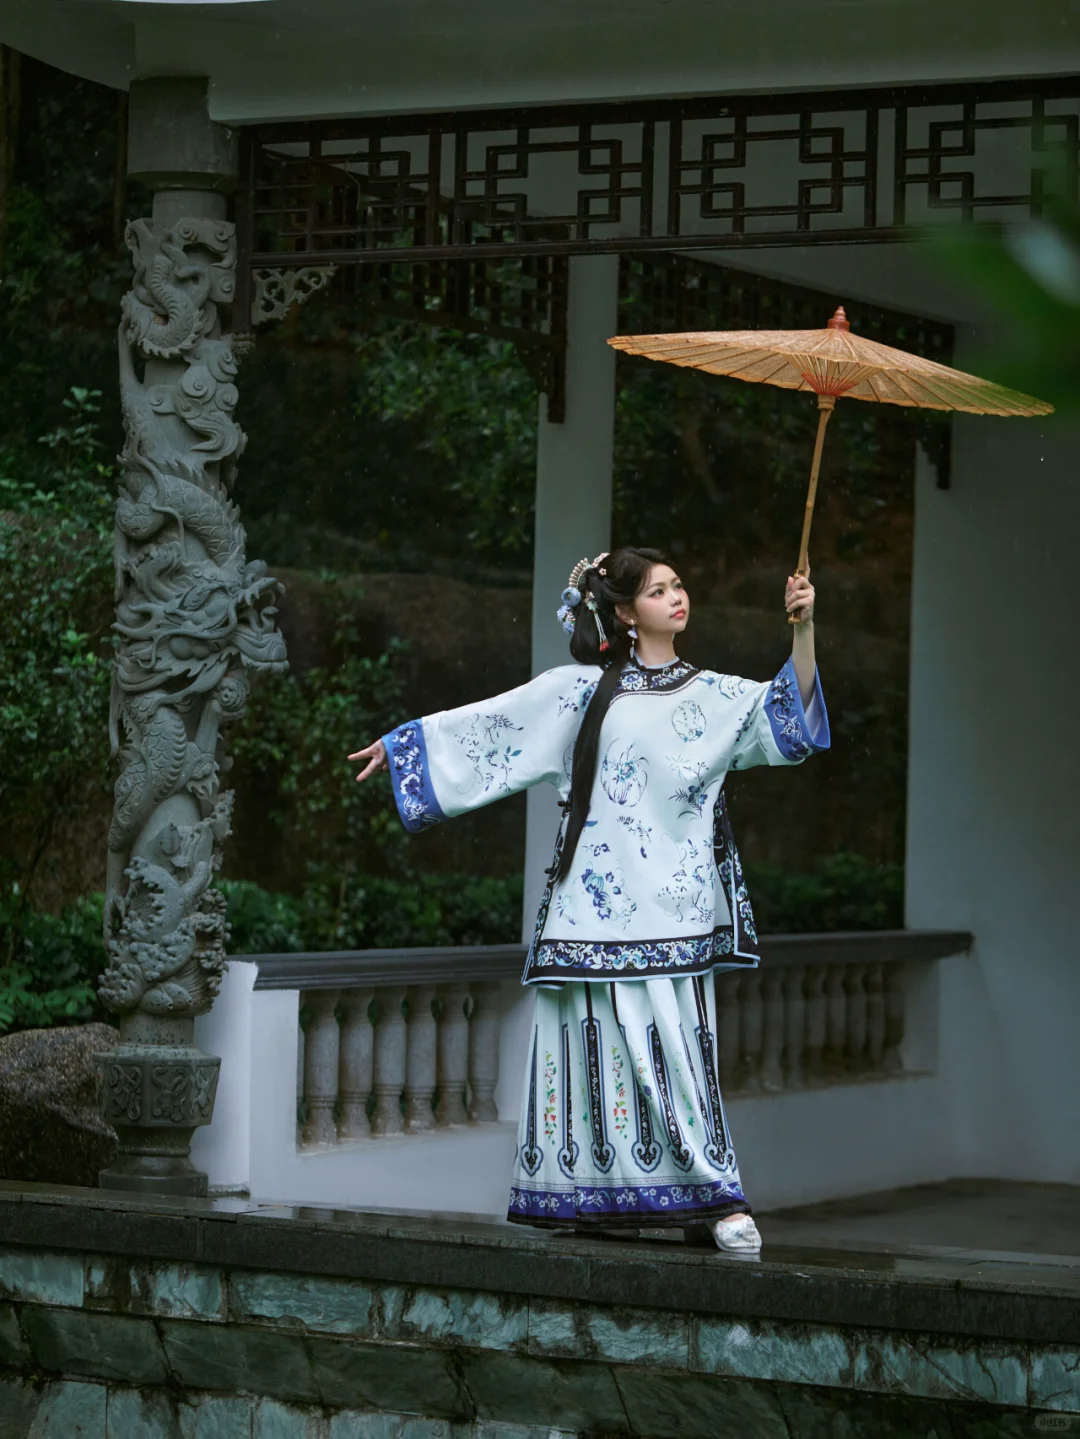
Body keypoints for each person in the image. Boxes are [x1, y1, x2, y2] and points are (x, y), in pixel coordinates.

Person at [349, 547, 828, 1252]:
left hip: (676, 912)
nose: (677, 596)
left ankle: (719, 1197)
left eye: (679, 583)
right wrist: (405, 747)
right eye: (660, 589)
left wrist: (803, 629)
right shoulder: (580, 694)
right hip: (590, 914)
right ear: (627, 612)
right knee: (587, 1061)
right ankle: (591, 1197)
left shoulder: (714, 695)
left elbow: (790, 718)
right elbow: (496, 726)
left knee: (681, 1064)